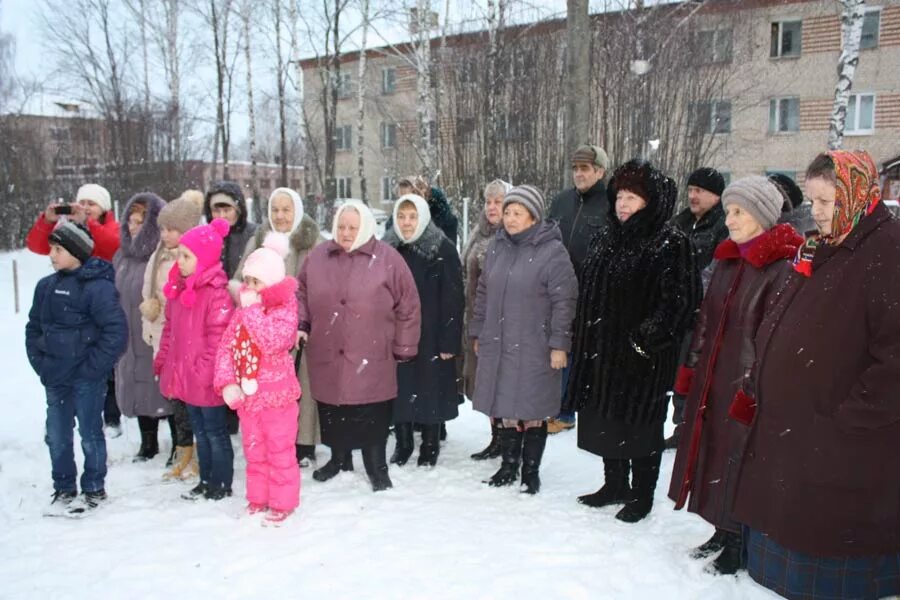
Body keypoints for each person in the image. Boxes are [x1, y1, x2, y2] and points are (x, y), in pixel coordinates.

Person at [732, 150, 900, 599]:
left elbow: (895, 360)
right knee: (791, 542)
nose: (817, 213)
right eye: (812, 200)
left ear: (858, 195)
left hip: (844, 442)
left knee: (829, 558)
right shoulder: (823, 246)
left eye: (827, 201)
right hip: (799, 434)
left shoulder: (888, 252)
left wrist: (846, 419)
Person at [666, 177, 803, 575]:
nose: (729, 219)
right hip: (715, 375)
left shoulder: (781, 266)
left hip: (747, 383)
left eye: (738, 211)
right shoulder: (728, 260)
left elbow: (773, 336)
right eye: (728, 210)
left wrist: (754, 385)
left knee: (739, 459)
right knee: (712, 452)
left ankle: (739, 540)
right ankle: (721, 529)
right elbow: (706, 321)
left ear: (761, 215)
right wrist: (691, 369)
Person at [568, 159, 700, 522]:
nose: (622, 204)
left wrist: (644, 342)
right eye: (620, 196)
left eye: (632, 197)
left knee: (640, 427)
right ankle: (614, 484)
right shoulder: (605, 236)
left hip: (643, 358)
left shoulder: (671, 242)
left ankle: (641, 495)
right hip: (602, 351)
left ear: (652, 201)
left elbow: (680, 303)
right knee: (607, 420)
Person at [297, 201, 421, 492]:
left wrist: (405, 345)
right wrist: (302, 324)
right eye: (341, 226)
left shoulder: (388, 258)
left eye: (352, 227)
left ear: (365, 227)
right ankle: (339, 459)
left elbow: (409, 304)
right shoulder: (318, 257)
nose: (346, 232)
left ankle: (376, 467)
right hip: (328, 350)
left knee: (371, 414)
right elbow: (299, 291)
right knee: (333, 410)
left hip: (373, 352)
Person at [470, 185, 577, 494]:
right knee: (504, 407)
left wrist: (559, 344)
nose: (510, 218)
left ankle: (530, 472)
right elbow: (482, 293)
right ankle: (508, 466)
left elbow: (564, 301)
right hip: (499, 341)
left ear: (534, 217)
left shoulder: (552, 251)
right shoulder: (497, 247)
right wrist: (478, 331)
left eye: (518, 213)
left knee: (531, 411)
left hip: (535, 345)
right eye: (507, 212)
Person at [25, 221, 127, 516]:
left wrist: (92, 369)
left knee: (90, 433)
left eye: (58, 249)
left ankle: (94, 486)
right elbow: (33, 329)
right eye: (52, 249)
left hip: (86, 379)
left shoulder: (98, 288)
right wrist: (41, 363)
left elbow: (115, 333)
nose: (51, 255)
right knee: (57, 434)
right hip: (55, 377)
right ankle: (64, 486)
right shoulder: (45, 287)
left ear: (76, 252)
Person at [232, 187, 324, 468]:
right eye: (275, 210)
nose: (280, 216)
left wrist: (302, 317)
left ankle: (305, 442)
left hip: (302, 326)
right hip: (264, 330)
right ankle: (274, 439)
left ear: (296, 210)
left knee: (303, 385)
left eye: (286, 210)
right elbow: (241, 281)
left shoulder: (313, 241)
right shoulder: (258, 240)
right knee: (270, 388)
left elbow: (321, 286)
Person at [215, 233, 301, 524]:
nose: (250, 288)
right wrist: (227, 381)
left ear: (273, 283)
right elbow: (226, 347)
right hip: (249, 399)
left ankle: (283, 502)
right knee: (255, 451)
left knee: (279, 451)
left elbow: (272, 341)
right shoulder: (243, 313)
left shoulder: (285, 309)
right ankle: (258, 498)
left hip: (277, 397)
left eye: (256, 281)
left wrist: (251, 310)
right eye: (247, 280)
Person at [26, 183, 123, 435]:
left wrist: (88, 224)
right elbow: (36, 245)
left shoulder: (109, 226)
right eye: (83, 203)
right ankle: (64, 417)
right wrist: (46, 221)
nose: (87, 208)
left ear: (104, 208)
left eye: (92, 204)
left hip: (100, 294)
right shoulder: (68, 228)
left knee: (104, 358)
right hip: (69, 296)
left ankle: (111, 415)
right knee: (72, 352)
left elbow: (112, 244)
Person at [153, 219, 236, 501]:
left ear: (205, 258)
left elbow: (218, 341)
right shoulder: (179, 291)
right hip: (188, 379)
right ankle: (206, 480)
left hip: (207, 380)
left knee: (215, 433)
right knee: (201, 433)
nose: (182, 261)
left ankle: (221, 484)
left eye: (187, 256)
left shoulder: (217, 295)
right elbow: (170, 332)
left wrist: (202, 372)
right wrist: (164, 361)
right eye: (180, 255)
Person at [383, 193, 464, 467]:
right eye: (402, 216)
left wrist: (449, 341)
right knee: (401, 389)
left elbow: (453, 298)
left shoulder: (442, 248)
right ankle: (404, 442)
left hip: (431, 332)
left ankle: (430, 444)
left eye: (412, 216)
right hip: (397, 333)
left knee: (431, 389)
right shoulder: (388, 249)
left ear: (423, 218)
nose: (406, 223)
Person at [547, 144, 610, 434]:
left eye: (585, 168)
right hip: (557, 291)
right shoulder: (561, 202)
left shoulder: (611, 203)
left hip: (594, 293)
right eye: (575, 168)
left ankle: (574, 410)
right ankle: (558, 407)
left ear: (600, 171)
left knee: (585, 353)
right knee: (560, 349)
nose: (579, 174)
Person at [141, 192, 204, 480]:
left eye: (171, 229)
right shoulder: (158, 256)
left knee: (193, 403)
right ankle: (183, 452)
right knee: (176, 401)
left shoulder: (193, 258)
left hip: (187, 341)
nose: (165, 234)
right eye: (163, 228)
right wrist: (149, 324)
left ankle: (196, 455)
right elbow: (149, 292)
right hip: (165, 337)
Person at [666, 167, 728, 449]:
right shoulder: (679, 222)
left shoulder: (723, 225)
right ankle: (681, 427)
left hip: (704, 312)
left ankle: (699, 430)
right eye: (690, 190)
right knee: (680, 373)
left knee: (699, 373)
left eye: (699, 191)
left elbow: (718, 271)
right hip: (677, 310)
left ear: (715, 195)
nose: (692, 196)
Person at [113, 193, 175, 463]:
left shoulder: (163, 256)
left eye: (140, 221)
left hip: (155, 333)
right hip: (128, 333)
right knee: (137, 387)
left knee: (163, 388)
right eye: (129, 220)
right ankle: (147, 442)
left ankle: (179, 444)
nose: (133, 226)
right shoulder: (122, 256)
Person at [203, 181, 258, 435]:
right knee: (220, 365)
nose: (222, 216)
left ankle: (244, 414)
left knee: (244, 364)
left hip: (242, 310)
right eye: (216, 210)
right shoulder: (206, 236)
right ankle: (225, 415)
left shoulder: (251, 235)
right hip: (213, 312)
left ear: (238, 209)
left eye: (227, 209)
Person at [463, 180, 508, 460]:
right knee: (486, 383)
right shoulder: (478, 233)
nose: (492, 207)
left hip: (499, 324)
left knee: (502, 383)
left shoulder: (510, 236)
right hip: (475, 320)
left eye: (498, 202)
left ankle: (507, 440)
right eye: (488, 201)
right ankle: (496, 437)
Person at [385, 175, 459, 244]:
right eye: (400, 198)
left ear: (420, 195)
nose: (404, 202)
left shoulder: (439, 217)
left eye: (409, 197)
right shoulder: (394, 222)